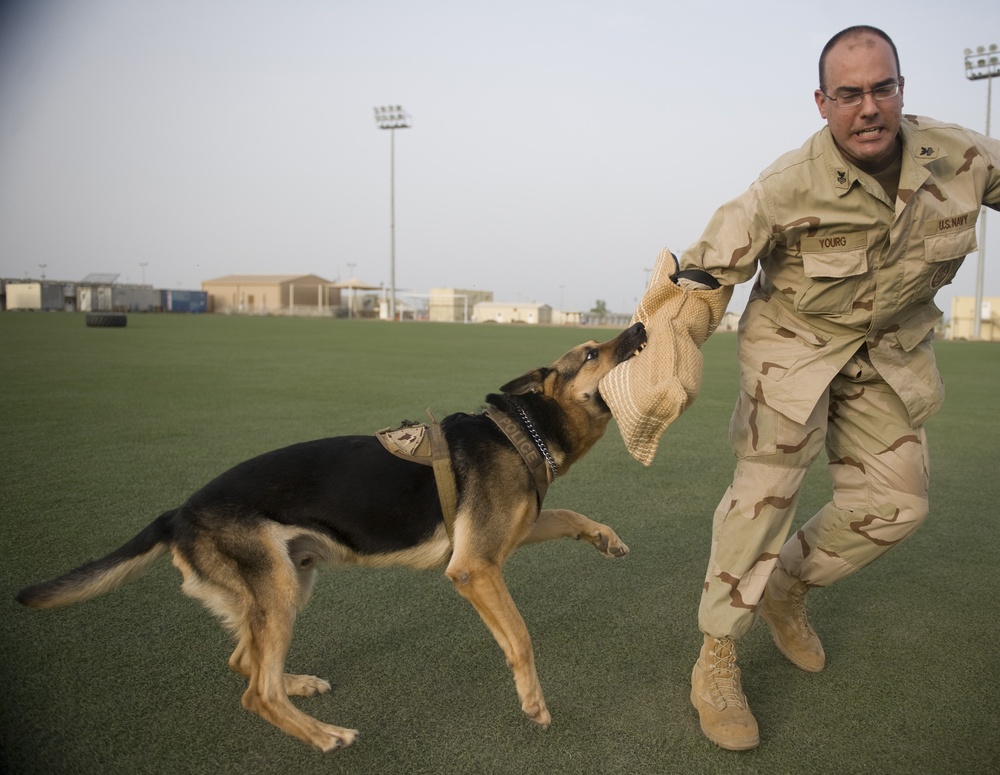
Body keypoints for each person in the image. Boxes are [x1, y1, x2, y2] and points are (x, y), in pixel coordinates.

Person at [674, 25, 1000, 750]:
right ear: (822, 103)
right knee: (768, 486)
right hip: (794, 345)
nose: (868, 107)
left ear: (902, 90)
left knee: (899, 504)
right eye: (848, 94)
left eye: (881, 88)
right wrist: (674, 343)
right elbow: (703, 271)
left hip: (886, 351)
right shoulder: (786, 185)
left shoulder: (962, 157)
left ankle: (788, 587)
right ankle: (717, 657)